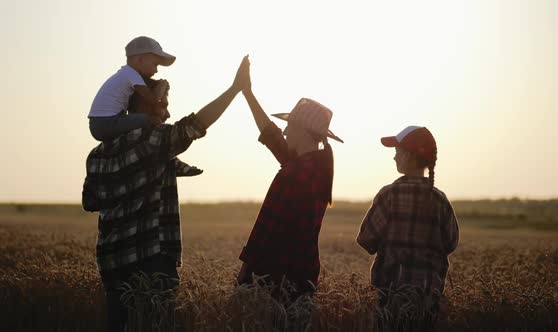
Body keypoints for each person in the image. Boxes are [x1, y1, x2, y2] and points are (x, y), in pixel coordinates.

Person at [82, 55, 250, 332]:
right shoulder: (152, 139)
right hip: (152, 262)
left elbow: (90, 202)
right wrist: (235, 89)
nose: (167, 115)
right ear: (143, 107)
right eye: (163, 107)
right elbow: (195, 125)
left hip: (112, 263)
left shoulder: (97, 155)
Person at [237, 72, 344, 306]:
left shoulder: (293, 174)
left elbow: (266, 226)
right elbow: (272, 136)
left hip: (275, 277)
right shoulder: (317, 167)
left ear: (304, 131)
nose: (285, 132)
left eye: (290, 127)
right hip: (304, 276)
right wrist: (248, 93)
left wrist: (245, 270)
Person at [356, 126, 459, 331]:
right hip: (429, 298)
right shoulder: (440, 199)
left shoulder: (389, 194)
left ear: (410, 157)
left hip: (390, 295)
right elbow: (451, 242)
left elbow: (366, 239)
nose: (394, 158)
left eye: (397, 152)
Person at [88, 35, 201, 177]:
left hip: (100, 123)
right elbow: (153, 99)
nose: (156, 70)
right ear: (140, 60)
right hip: (106, 123)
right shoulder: (131, 75)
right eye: (155, 65)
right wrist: (163, 84)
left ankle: (172, 161)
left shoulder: (125, 74)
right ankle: (173, 161)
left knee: (141, 132)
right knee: (153, 122)